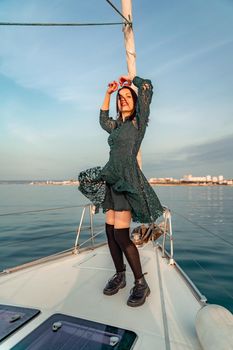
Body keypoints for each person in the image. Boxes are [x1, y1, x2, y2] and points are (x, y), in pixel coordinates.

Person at [78, 75, 164, 307]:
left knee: (120, 235)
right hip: (112, 181)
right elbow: (102, 119)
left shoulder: (138, 122)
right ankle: (120, 275)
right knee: (109, 231)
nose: (124, 100)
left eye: (128, 97)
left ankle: (140, 283)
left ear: (135, 102)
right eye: (121, 98)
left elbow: (146, 87)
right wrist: (108, 93)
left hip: (128, 182)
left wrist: (132, 81)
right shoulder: (116, 127)